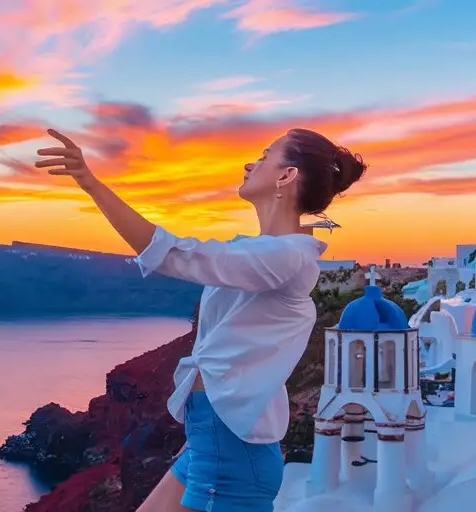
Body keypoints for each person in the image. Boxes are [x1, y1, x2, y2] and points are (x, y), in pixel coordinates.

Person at [35, 127, 367, 512]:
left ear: (286, 175)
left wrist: (92, 184)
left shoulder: (287, 257)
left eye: (264, 154)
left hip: (232, 459)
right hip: (211, 438)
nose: (250, 162)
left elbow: (175, 255)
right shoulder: (263, 253)